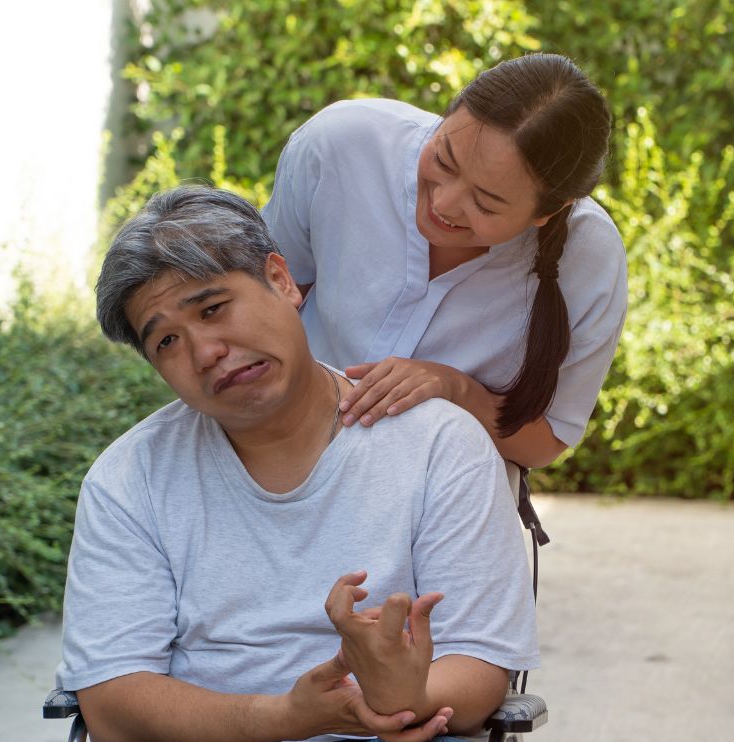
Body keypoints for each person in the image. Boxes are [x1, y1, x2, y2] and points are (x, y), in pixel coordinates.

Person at [56, 185, 539, 742]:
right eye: (166, 341)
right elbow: (113, 705)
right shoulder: (127, 479)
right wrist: (286, 714)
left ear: (282, 281)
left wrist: (398, 695)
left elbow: (478, 670)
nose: (206, 351)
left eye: (212, 308)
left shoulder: (439, 444)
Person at [262, 52, 628, 470]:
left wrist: (456, 389)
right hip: (281, 469)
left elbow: (544, 442)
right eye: (443, 159)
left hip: (445, 511)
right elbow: (264, 305)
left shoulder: (589, 257)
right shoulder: (341, 145)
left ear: (548, 212)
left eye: (486, 204)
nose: (443, 202)